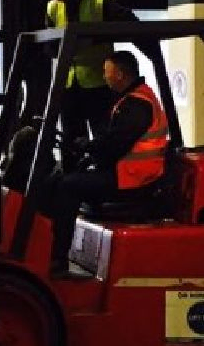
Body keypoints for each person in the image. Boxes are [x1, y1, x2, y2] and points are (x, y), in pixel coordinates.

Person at [49, 50, 169, 276]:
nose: (104, 77)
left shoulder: (137, 104)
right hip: (129, 174)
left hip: (133, 180)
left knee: (67, 187)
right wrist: (88, 152)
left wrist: (88, 147)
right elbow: (112, 142)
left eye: (106, 72)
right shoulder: (132, 99)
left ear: (121, 74)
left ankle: (57, 260)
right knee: (69, 178)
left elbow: (114, 145)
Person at [45, 0, 139, 169]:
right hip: (68, 85)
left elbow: (132, 24)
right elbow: (49, 47)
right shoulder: (52, 7)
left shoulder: (100, 2)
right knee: (69, 141)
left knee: (102, 140)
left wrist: (95, 38)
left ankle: (104, 183)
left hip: (99, 84)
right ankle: (72, 188)